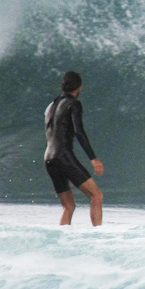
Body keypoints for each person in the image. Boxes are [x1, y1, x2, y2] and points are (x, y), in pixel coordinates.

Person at [44, 70, 105, 226]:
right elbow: (79, 131)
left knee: (68, 206)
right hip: (64, 157)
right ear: (79, 88)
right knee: (96, 195)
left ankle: (64, 241)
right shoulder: (74, 103)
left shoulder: (51, 105)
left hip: (49, 159)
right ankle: (99, 236)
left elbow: (52, 133)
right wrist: (94, 159)